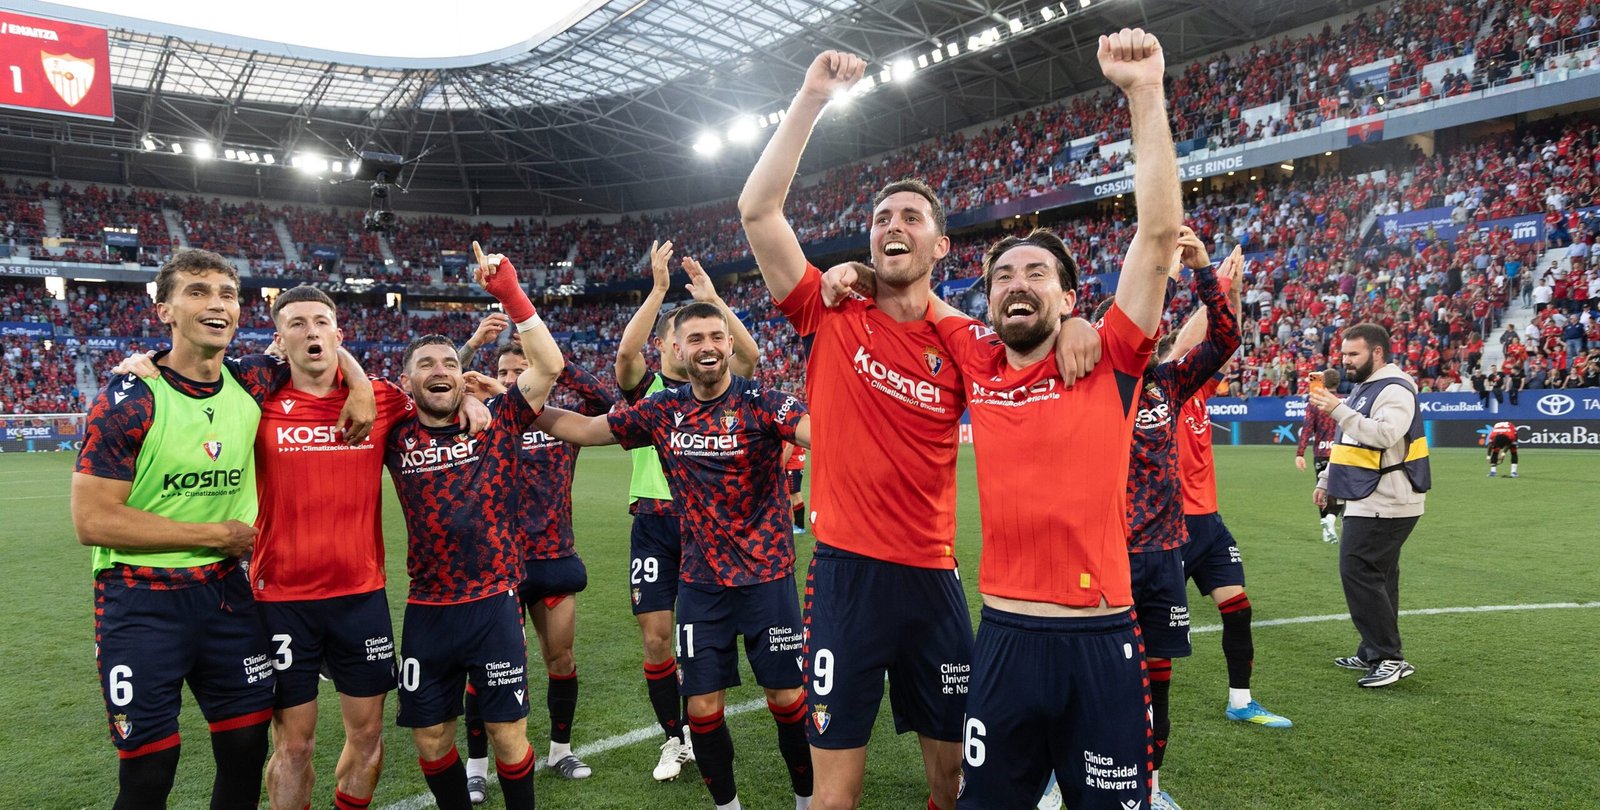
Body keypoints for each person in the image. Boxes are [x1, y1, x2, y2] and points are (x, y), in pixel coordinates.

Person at [739, 48, 1099, 810]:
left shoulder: (966, 341)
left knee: (956, 781)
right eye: (879, 220)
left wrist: (1076, 321)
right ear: (868, 244)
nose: (890, 226)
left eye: (910, 218)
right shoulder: (826, 311)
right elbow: (759, 214)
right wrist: (810, 97)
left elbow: (1030, 334)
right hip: (844, 577)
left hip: (933, 580)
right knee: (834, 795)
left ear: (940, 247)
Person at [71, 249, 373, 809]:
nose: (216, 304)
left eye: (227, 294)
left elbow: (321, 347)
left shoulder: (252, 378)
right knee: (149, 770)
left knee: (244, 751)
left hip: (227, 599)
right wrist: (216, 535)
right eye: (198, 292)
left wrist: (358, 385)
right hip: (139, 600)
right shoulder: (128, 400)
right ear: (164, 310)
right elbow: (93, 522)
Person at [536, 301, 814, 810]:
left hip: (767, 581)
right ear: (677, 350)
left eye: (716, 336)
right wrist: (516, 406)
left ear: (730, 345)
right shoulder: (663, 410)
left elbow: (818, 433)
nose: (707, 346)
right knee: (703, 709)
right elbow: (585, 428)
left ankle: (804, 801)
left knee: (787, 700)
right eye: (695, 339)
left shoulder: (765, 402)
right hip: (701, 585)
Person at [384, 242, 564, 810]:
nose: (441, 373)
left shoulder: (502, 416)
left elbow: (550, 366)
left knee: (510, 735)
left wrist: (511, 296)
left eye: (450, 365)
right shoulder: (392, 433)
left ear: (465, 376)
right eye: (426, 367)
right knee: (431, 739)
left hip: (493, 603)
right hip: (428, 609)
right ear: (406, 383)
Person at [1090, 230, 1241, 810]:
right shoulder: (1088, 380)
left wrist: (1206, 272)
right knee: (1100, 683)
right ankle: (1067, 780)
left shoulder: (1169, 382)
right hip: (1104, 555)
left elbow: (1224, 337)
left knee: (1157, 687)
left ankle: (1150, 789)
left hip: (1162, 558)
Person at [614, 241, 761, 781]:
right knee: (656, 638)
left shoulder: (724, 390)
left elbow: (749, 359)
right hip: (654, 525)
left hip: (709, 527)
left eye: (704, 336)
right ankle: (673, 740)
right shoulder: (649, 392)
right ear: (669, 345)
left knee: (710, 638)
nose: (691, 348)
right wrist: (656, 291)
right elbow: (626, 359)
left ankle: (704, 725)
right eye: (682, 339)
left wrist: (716, 302)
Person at [457, 327, 618, 802]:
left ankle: (560, 750)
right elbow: (427, 391)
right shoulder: (479, 423)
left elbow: (608, 404)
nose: (509, 379)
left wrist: (551, 362)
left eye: (519, 371)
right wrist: (476, 374)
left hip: (553, 559)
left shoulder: (558, 423)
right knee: (486, 671)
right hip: (496, 565)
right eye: (503, 372)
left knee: (560, 659)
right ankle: (477, 766)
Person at [1171, 255, 1294, 731]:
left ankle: (1241, 700)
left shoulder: (1199, 391)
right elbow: (1189, 341)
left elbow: (1226, 336)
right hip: (1166, 525)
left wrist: (1235, 292)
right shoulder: (1166, 383)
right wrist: (1216, 279)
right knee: (1143, 632)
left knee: (1237, 608)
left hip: (1209, 523)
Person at [1312, 322, 1431, 689]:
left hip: (1389, 498)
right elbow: (1349, 440)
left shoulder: (1396, 388)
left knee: (1357, 570)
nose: (1345, 361)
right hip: (1370, 495)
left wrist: (1337, 409)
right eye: (1344, 354)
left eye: (1354, 354)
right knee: (1379, 576)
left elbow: (1384, 434)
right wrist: (1327, 480)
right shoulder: (1366, 387)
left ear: (1377, 352)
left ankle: (1388, 657)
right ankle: (1373, 651)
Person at [1296, 368, 1344, 543]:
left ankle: (1325, 524)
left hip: (1321, 453)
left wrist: (1300, 453)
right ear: (1337, 383)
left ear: (1321, 382)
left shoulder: (1315, 402)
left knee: (1322, 490)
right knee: (1342, 490)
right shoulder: (1346, 401)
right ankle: (1334, 519)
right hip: (1341, 452)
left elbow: (1307, 428)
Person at [781, 437, 808, 534]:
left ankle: (800, 526)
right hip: (796, 463)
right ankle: (797, 525)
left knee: (795, 493)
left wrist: (781, 465)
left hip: (793, 464)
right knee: (794, 493)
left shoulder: (790, 428)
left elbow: (789, 447)